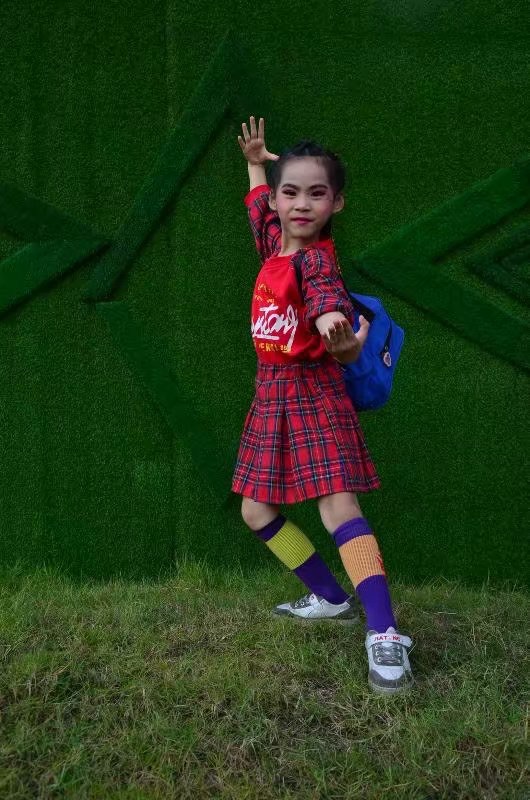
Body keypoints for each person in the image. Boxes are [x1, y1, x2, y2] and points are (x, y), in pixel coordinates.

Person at [232, 116, 414, 694]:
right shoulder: (273, 244)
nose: (301, 204)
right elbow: (258, 208)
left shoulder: (315, 261)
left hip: (313, 393)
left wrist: (342, 336)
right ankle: (331, 598)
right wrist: (256, 163)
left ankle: (384, 632)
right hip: (271, 395)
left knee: (339, 509)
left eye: (317, 194)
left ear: (337, 203)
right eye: (291, 193)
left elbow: (327, 300)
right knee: (256, 512)